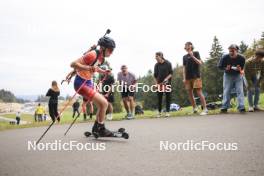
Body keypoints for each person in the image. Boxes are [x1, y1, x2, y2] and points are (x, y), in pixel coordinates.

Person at [70, 36, 115, 136]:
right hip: (80, 83)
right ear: (103, 48)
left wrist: (103, 71)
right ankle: (101, 129)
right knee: (104, 103)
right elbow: (73, 64)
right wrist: (87, 67)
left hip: (88, 82)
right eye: (110, 50)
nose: (111, 52)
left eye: (113, 50)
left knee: (102, 104)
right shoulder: (92, 54)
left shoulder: (102, 58)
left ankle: (96, 127)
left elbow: (95, 68)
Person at [218, 44, 246, 113]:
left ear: (237, 51)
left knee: (240, 90)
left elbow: (242, 68)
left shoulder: (242, 58)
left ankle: (241, 107)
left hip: (238, 75)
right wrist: (225, 68)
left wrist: (240, 69)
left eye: (232, 51)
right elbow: (219, 66)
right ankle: (225, 107)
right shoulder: (225, 57)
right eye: (230, 51)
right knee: (227, 91)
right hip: (228, 75)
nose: (231, 52)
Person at [183, 42, 208, 115]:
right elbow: (184, 68)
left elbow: (200, 63)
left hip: (196, 76)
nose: (185, 47)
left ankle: (205, 109)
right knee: (190, 93)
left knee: (199, 92)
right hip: (188, 77)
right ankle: (195, 109)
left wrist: (192, 56)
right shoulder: (184, 57)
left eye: (187, 45)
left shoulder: (196, 53)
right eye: (185, 46)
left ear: (191, 46)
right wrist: (184, 78)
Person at [154, 52, 173, 117]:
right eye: (155, 56)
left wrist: (166, 79)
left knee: (168, 97)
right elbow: (155, 76)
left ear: (161, 56)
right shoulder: (156, 65)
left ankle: (167, 112)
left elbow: (171, 73)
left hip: (167, 83)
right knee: (159, 98)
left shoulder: (168, 63)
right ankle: (159, 112)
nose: (155, 58)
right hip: (159, 84)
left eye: (157, 56)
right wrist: (156, 84)